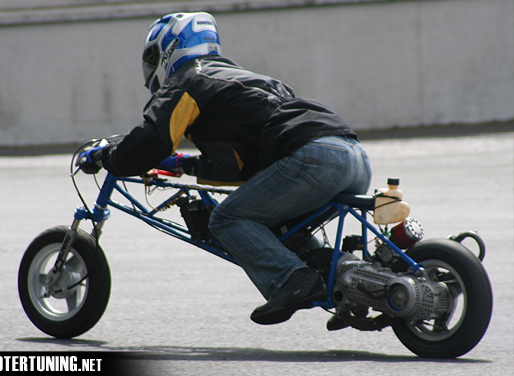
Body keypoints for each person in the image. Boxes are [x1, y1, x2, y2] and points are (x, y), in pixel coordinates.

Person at [78, 12, 372, 325]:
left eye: (153, 55)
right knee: (283, 230)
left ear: (171, 48)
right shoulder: (240, 78)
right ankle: (352, 282)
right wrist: (183, 165)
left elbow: (151, 137)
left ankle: (291, 280)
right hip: (352, 157)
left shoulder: (190, 78)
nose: (151, 66)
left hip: (312, 159)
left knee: (227, 219)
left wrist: (108, 157)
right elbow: (244, 168)